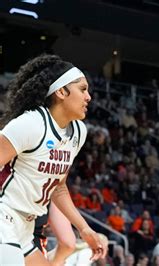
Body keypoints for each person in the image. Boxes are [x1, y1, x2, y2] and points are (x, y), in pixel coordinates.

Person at [0, 54, 107, 265]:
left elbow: (58, 188)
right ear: (61, 91)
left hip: (25, 225)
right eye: (83, 89)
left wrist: (84, 229)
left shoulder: (77, 132)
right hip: (4, 214)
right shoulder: (31, 124)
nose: (89, 97)